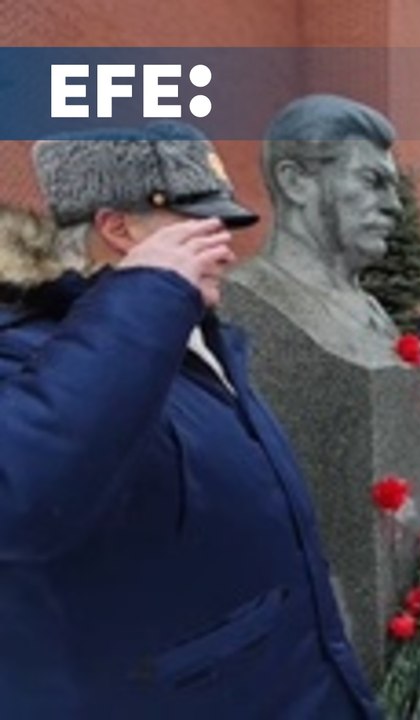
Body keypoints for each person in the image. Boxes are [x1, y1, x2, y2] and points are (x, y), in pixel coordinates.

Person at [0, 123, 377, 717]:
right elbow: (23, 491)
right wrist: (147, 296)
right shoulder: (34, 346)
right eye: (199, 224)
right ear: (118, 229)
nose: (226, 247)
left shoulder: (182, 332)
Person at [230, 94, 403, 366]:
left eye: (393, 188)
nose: (394, 205)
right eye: (371, 181)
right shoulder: (245, 300)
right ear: (295, 182)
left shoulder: (373, 313)